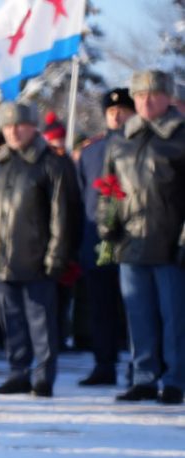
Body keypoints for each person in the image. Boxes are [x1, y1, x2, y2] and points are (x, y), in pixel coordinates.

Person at [0, 103, 76, 398]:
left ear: (33, 127)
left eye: (20, 125)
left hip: (36, 258)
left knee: (41, 321)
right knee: (11, 319)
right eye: (8, 126)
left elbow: (63, 215)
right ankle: (18, 372)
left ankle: (43, 376)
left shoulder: (50, 164)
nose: (14, 131)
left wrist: (56, 255)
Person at [102, 70, 185, 405]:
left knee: (174, 317)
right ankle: (144, 377)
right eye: (139, 95)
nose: (146, 101)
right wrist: (106, 227)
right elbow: (107, 190)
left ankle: (176, 379)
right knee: (139, 316)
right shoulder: (121, 138)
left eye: (153, 94)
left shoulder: (180, 137)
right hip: (130, 243)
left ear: (168, 97)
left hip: (170, 244)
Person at [74, 88, 134, 387]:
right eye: (112, 111)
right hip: (96, 241)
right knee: (101, 307)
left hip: (133, 240)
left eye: (123, 109)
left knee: (135, 309)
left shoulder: (139, 144)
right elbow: (81, 197)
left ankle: (140, 365)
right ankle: (104, 363)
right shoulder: (91, 151)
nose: (117, 115)